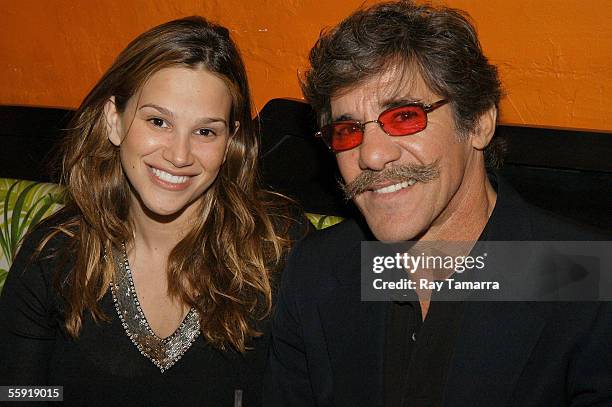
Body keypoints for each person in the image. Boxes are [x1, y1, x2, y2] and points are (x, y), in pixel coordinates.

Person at [264, 1, 612, 406]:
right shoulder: (314, 273)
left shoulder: (587, 284)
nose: (372, 156)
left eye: (405, 117)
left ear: (479, 121)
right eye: (347, 130)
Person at [0, 16, 298, 406]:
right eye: (158, 121)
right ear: (115, 121)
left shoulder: (275, 247)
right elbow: (19, 393)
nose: (178, 155)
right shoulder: (55, 254)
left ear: (230, 141)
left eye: (205, 131)